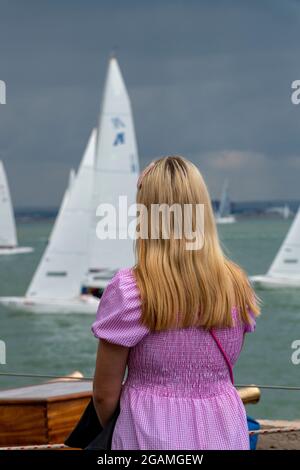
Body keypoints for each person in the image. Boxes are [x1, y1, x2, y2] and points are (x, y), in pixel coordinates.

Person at [92, 156, 259, 450]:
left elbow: (104, 395)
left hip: (148, 434)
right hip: (225, 430)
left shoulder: (132, 289)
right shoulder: (237, 284)